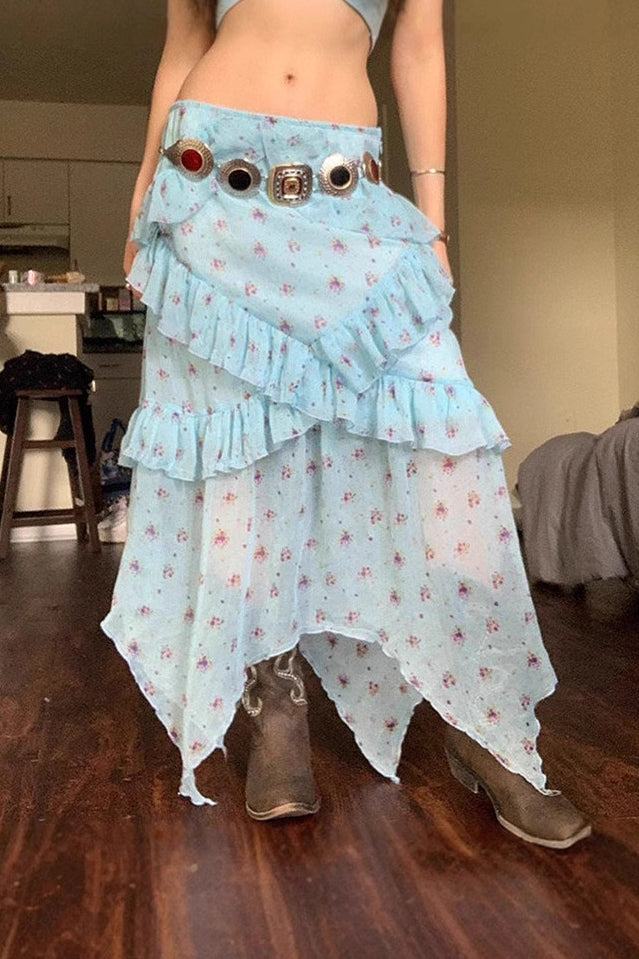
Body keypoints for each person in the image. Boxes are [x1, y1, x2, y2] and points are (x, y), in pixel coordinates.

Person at [101, 0, 591, 848]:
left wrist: (430, 218)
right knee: (244, 462)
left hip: (348, 190)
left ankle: (483, 720)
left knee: (442, 450)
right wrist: (143, 194)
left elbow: (420, 41)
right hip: (209, 186)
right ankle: (275, 702)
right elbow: (185, 39)